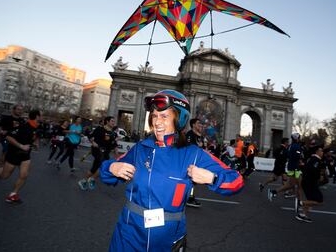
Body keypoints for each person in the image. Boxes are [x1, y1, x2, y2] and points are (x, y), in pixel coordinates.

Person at [100, 89, 244, 251]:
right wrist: (112, 167)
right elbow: (105, 175)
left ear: (179, 119)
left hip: (167, 239)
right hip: (128, 234)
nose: (157, 121)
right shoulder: (140, 149)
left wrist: (213, 179)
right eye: (154, 116)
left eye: (164, 116)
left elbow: (236, 181)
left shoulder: (193, 154)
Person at [0, 109, 41, 203]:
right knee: (4, 176)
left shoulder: (36, 127)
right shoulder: (24, 126)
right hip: (14, 153)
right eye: (41, 115)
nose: (42, 117)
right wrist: (21, 146)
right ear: (37, 116)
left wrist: (36, 144)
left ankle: (13, 195)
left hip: (25, 156)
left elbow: (35, 137)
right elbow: (8, 137)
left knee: (24, 175)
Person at [78, 116, 117, 191]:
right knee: (104, 165)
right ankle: (92, 179)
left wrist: (117, 155)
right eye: (112, 121)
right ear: (107, 121)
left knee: (94, 169)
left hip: (105, 153)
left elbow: (114, 145)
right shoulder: (99, 129)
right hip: (97, 150)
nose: (113, 123)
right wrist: (93, 142)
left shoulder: (113, 133)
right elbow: (90, 136)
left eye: (114, 121)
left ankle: (83, 181)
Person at [268, 133, 303, 203]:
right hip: (295, 168)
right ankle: (300, 203)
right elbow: (298, 156)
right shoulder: (297, 146)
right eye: (299, 138)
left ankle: (274, 192)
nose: (300, 139)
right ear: (296, 139)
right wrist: (300, 161)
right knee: (298, 185)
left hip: (291, 167)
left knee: (292, 185)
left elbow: (288, 155)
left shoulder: (290, 146)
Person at [296, 145, 324, 222]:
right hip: (310, 183)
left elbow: (305, 168)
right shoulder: (316, 160)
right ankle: (300, 203)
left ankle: (303, 215)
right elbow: (313, 170)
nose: (322, 152)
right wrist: (319, 176)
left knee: (310, 199)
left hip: (306, 181)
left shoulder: (311, 158)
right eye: (321, 150)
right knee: (319, 200)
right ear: (317, 152)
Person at [185, 118, 205, 208]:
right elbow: (189, 148)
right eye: (198, 123)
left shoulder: (200, 136)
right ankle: (190, 198)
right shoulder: (189, 134)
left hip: (197, 162)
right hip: (189, 162)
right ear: (193, 125)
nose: (200, 125)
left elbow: (202, 147)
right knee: (191, 181)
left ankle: (189, 197)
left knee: (193, 182)